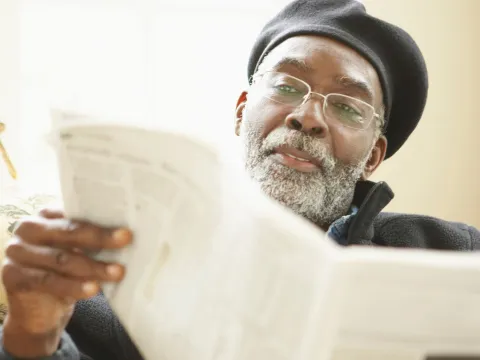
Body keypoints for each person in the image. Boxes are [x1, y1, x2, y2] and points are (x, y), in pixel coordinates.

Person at [1, 0, 479, 359]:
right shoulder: (113, 270)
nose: (308, 117)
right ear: (241, 113)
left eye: (347, 106)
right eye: (287, 86)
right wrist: (33, 333)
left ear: (374, 155)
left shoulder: (456, 256)